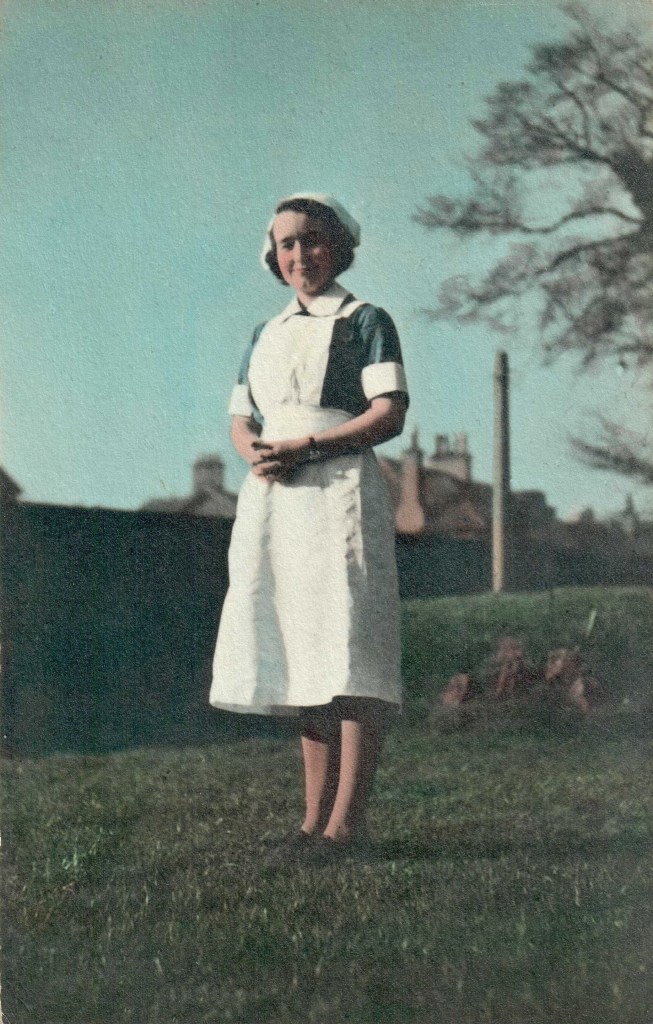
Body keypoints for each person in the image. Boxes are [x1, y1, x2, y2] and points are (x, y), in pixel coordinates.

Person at [210, 192, 409, 855]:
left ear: (340, 247)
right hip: (276, 497)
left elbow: (387, 413)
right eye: (288, 244)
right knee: (301, 649)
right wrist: (256, 454)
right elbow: (242, 419)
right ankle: (309, 824)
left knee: (348, 646)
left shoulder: (364, 320)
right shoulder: (263, 334)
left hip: (339, 488)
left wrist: (309, 448)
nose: (300, 255)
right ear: (273, 255)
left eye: (313, 241)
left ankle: (347, 824)